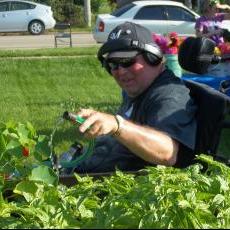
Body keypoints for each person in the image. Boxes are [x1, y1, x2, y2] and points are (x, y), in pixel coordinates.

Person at [70, 22, 197, 173]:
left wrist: (118, 126)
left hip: (114, 189)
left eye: (128, 61)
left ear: (153, 58)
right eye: (113, 64)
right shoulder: (137, 89)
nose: (121, 72)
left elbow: (168, 152)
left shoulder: (169, 95)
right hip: (89, 171)